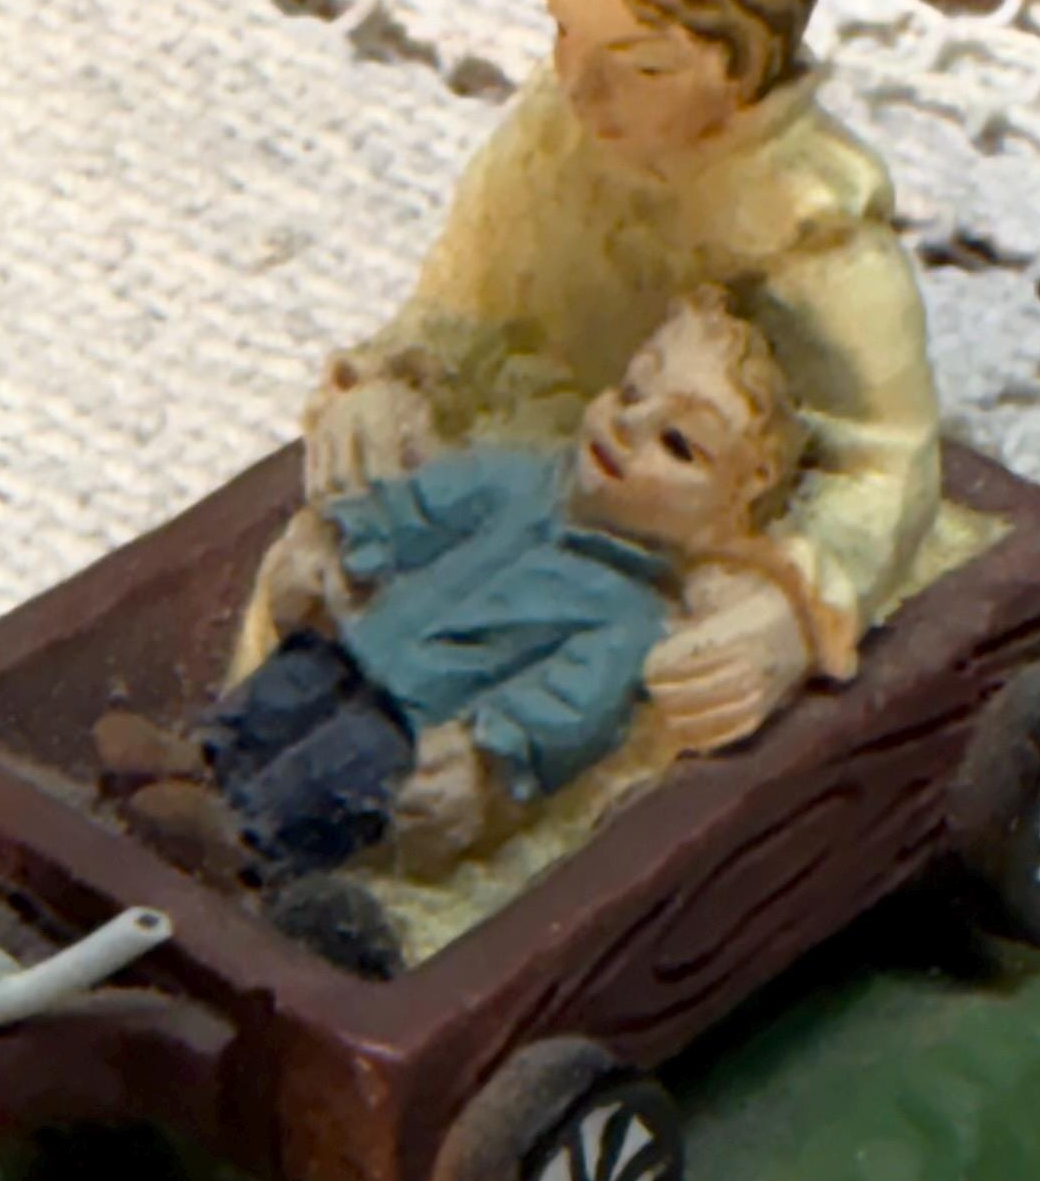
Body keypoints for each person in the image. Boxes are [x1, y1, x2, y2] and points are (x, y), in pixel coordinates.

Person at [236, 0, 941, 752]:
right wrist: (394, 379)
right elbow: (465, 303)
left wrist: (790, 615)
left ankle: (408, 776)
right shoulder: (556, 133)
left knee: (584, 688)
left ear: (743, 64)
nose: (578, 87)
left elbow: (886, 462)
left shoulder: (809, 229)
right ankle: (249, 741)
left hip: (669, 538)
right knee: (340, 560)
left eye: (642, 66)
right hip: (532, 462)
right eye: (565, 31)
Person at [107, 290, 833, 891]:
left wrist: (487, 755)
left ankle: (245, 842)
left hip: (413, 723)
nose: (627, 423)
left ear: (726, 515)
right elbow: (422, 508)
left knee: (337, 767)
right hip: (360, 640)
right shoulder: (514, 476)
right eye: (632, 390)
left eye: (678, 445)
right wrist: (348, 542)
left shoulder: (627, 614)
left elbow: (565, 705)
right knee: (285, 689)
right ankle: (200, 757)